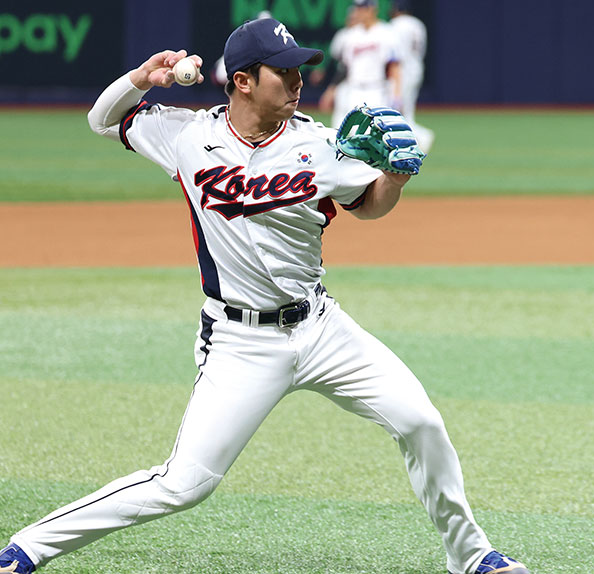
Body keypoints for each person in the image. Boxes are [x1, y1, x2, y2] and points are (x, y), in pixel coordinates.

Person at [0, 17, 529, 574]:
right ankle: (27, 548)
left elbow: (367, 204)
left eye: (301, 70)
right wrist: (142, 78)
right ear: (244, 81)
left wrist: (394, 180)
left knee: (420, 422)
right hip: (238, 342)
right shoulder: (186, 134)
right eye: (284, 71)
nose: (298, 81)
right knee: (184, 484)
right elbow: (101, 119)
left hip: (322, 329)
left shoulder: (323, 145)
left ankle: (472, 558)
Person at [319, 0, 402, 129]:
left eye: (363, 8)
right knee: (346, 131)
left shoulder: (386, 33)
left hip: (377, 90)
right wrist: (331, 90)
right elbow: (344, 67)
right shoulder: (351, 35)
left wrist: (396, 94)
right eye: (357, 8)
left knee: (376, 132)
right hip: (353, 89)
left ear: (372, 9)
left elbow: (394, 66)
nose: (359, 12)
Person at [389, 0, 434, 152]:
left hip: (403, 71)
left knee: (398, 111)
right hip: (417, 68)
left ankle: (421, 136)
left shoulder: (395, 25)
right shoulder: (418, 24)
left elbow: (395, 54)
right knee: (405, 111)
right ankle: (412, 141)